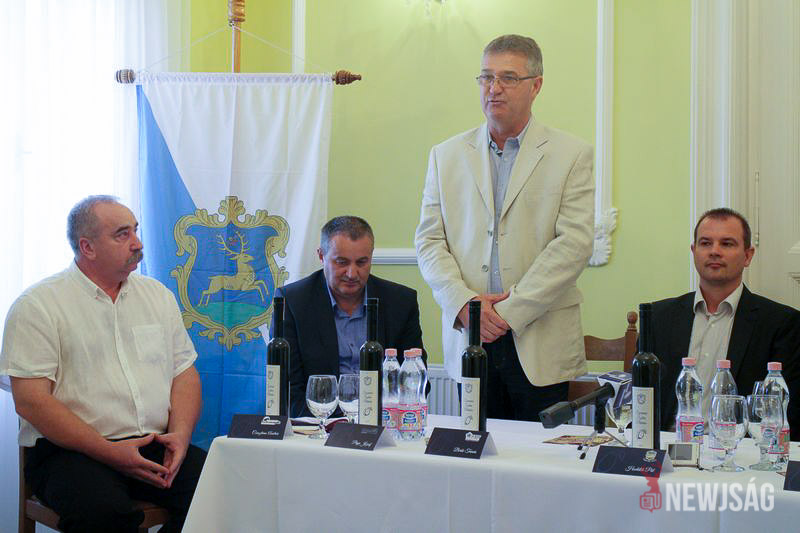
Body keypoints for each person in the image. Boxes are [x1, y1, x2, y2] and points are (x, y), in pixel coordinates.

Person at [414, 34, 595, 421]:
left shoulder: (571, 154)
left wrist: (507, 314)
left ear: (536, 85)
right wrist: (464, 304)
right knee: (473, 449)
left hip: (540, 339)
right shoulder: (445, 155)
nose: (494, 88)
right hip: (469, 335)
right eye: (486, 77)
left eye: (508, 78)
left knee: (540, 455)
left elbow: (574, 245)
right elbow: (429, 242)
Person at [0, 196, 206, 532]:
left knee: (223, 490)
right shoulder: (38, 305)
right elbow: (30, 401)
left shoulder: (157, 296)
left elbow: (184, 374)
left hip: (151, 444)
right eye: (122, 234)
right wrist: (110, 453)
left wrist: (180, 436)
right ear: (88, 247)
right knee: (105, 514)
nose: (137, 243)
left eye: (135, 230)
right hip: (70, 453)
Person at [652, 208, 800, 437]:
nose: (714, 251)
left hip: (740, 451)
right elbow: (641, 398)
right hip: (667, 448)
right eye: (705, 243)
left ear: (748, 255)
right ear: (694, 251)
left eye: (727, 244)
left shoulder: (781, 323)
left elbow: (788, 413)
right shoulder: (659, 317)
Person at [273, 216, 425, 417]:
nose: (352, 273)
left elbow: (414, 379)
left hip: (382, 422)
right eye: (342, 262)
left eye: (362, 262)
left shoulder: (401, 302)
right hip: (318, 423)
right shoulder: (293, 302)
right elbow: (288, 389)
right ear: (321, 256)